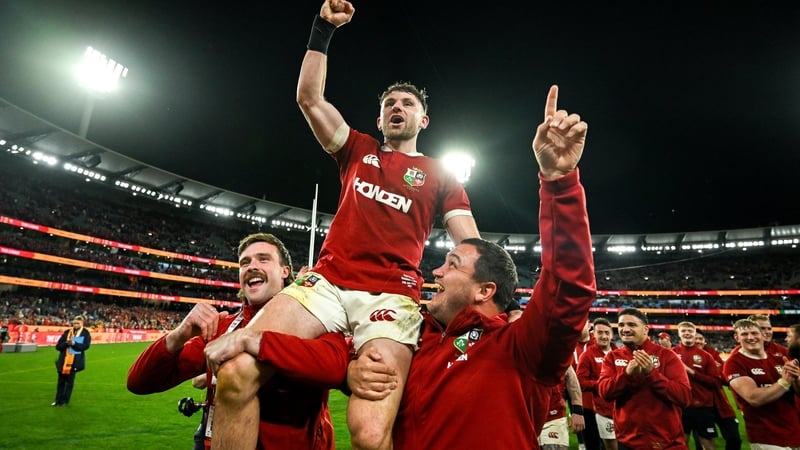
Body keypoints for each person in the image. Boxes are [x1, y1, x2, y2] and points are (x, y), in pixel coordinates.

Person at [203, 1, 480, 448]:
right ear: (379, 118)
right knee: (233, 372)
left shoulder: (440, 173)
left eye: (407, 103)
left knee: (370, 435)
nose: (397, 107)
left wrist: (491, 292)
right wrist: (322, 31)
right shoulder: (357, 148)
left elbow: (470, 242)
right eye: (390, 102)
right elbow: (309, 99)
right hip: (326, 284)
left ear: (422, 120)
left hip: (392, 294)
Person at [347, 84, 595, 448]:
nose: (435, 271)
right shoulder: (411, 337)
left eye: (451, 263)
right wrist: (350, 370)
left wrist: (559, 185)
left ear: (484, 290)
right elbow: (329, 355)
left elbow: (569, 288)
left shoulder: (520, 348)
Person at [127, 233, 349, 450]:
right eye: (245, 262)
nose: (252, 266)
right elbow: (139, 382)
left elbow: (336, 369)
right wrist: (178, 335)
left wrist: (255, 340)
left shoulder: (314, 319)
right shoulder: (222, 328)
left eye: (263, 259)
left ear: (285, 271)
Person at [597, 308, 691, 449]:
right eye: (621, 325)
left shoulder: (667, 356)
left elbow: (684, 397)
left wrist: (651, 373)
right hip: (628, 442)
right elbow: (605, 393)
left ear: (645, 329)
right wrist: (626, 375)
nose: (625, 329)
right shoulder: (612, 357)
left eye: (632, 325)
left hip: (667, 443)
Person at [722, 318, 800, 448]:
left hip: (793, 431)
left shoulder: (781, 355)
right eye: (744, 334)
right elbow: (754, 398)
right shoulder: (734, 363)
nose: (750, 337)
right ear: (736, 337)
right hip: (766, 436)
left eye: (754, 333)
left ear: (762, 335)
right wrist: (784, 382)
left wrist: (797, 378)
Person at [672, 321, 719, 450]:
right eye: (683, 331)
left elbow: (715, 382)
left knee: (707, 443)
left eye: (690, 331)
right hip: (680, 406)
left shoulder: (706, 356)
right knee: (680, 442)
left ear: (694, 334)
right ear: (679, 334)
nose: (687, 333)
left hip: (702, 406)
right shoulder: (671, 353)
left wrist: (690, 371)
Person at [694, 330, 742, 450]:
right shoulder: (684, 356)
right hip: (700, 405)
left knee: (734, 439)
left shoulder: (713, 355)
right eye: (695, 338)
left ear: (705, 341)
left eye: (700, 338)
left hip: (720, 403)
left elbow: (721, 378)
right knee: (702, 443)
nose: (698, 341)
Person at [576, 317, 618, 450]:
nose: (604, 336)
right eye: (600, 333)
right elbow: (581, 382)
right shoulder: (587, 355)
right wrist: (601, 385)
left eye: (607, 333)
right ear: (593, 334)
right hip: (594, 409)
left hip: (619, 409)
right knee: (595, 445)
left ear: (611, 334)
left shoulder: (619, 353)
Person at [540, 366, 586, 450]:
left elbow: (570, 374)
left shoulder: (552, 353)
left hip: (553, 414)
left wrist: (578, 410)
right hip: (522, 416)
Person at [572, 319, 599, 450]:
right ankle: (582, 442)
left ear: (588, 325)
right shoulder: (569, 342)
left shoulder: (596, 343)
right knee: (577, 415)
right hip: (571, 385)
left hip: (590, 389)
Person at [52, 315, 91, 406]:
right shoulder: (67, 333)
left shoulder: (85, 333)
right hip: (63, 360)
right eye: (74, 323)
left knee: (70, 382)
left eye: (78, 323)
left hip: (75, 362)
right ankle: (58, 400)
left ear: (82, 324)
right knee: (61, 382)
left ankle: (65, 401)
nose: (76, 325)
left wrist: (74, 344)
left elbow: (85, 346)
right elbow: (58, 347)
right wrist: (66, 343)